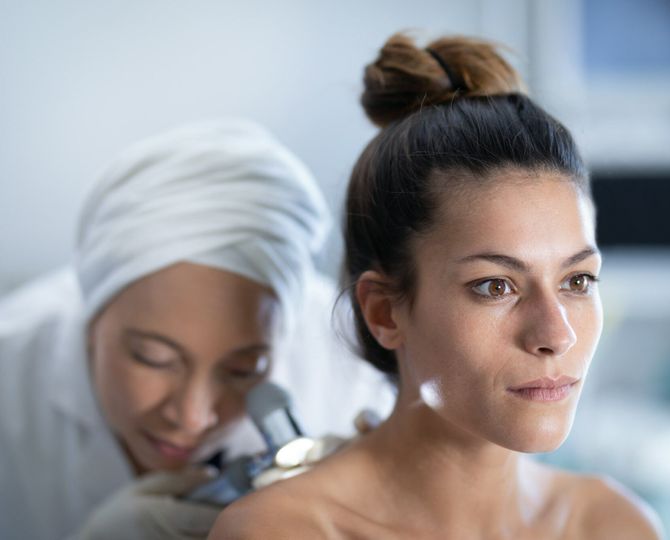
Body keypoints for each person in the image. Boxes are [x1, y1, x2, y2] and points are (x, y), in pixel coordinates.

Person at [208, 34, 665, 539]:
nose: (557, 335)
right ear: (384, 312)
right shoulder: (285, 532)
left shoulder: (614, 525)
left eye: (577, 280)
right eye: (496, 286)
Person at [0, 120, 394, 540]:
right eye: (154, 358)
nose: (193, 417)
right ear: (92, 320)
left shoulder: (347, 364)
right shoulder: (11, 374)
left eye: (245, 368)